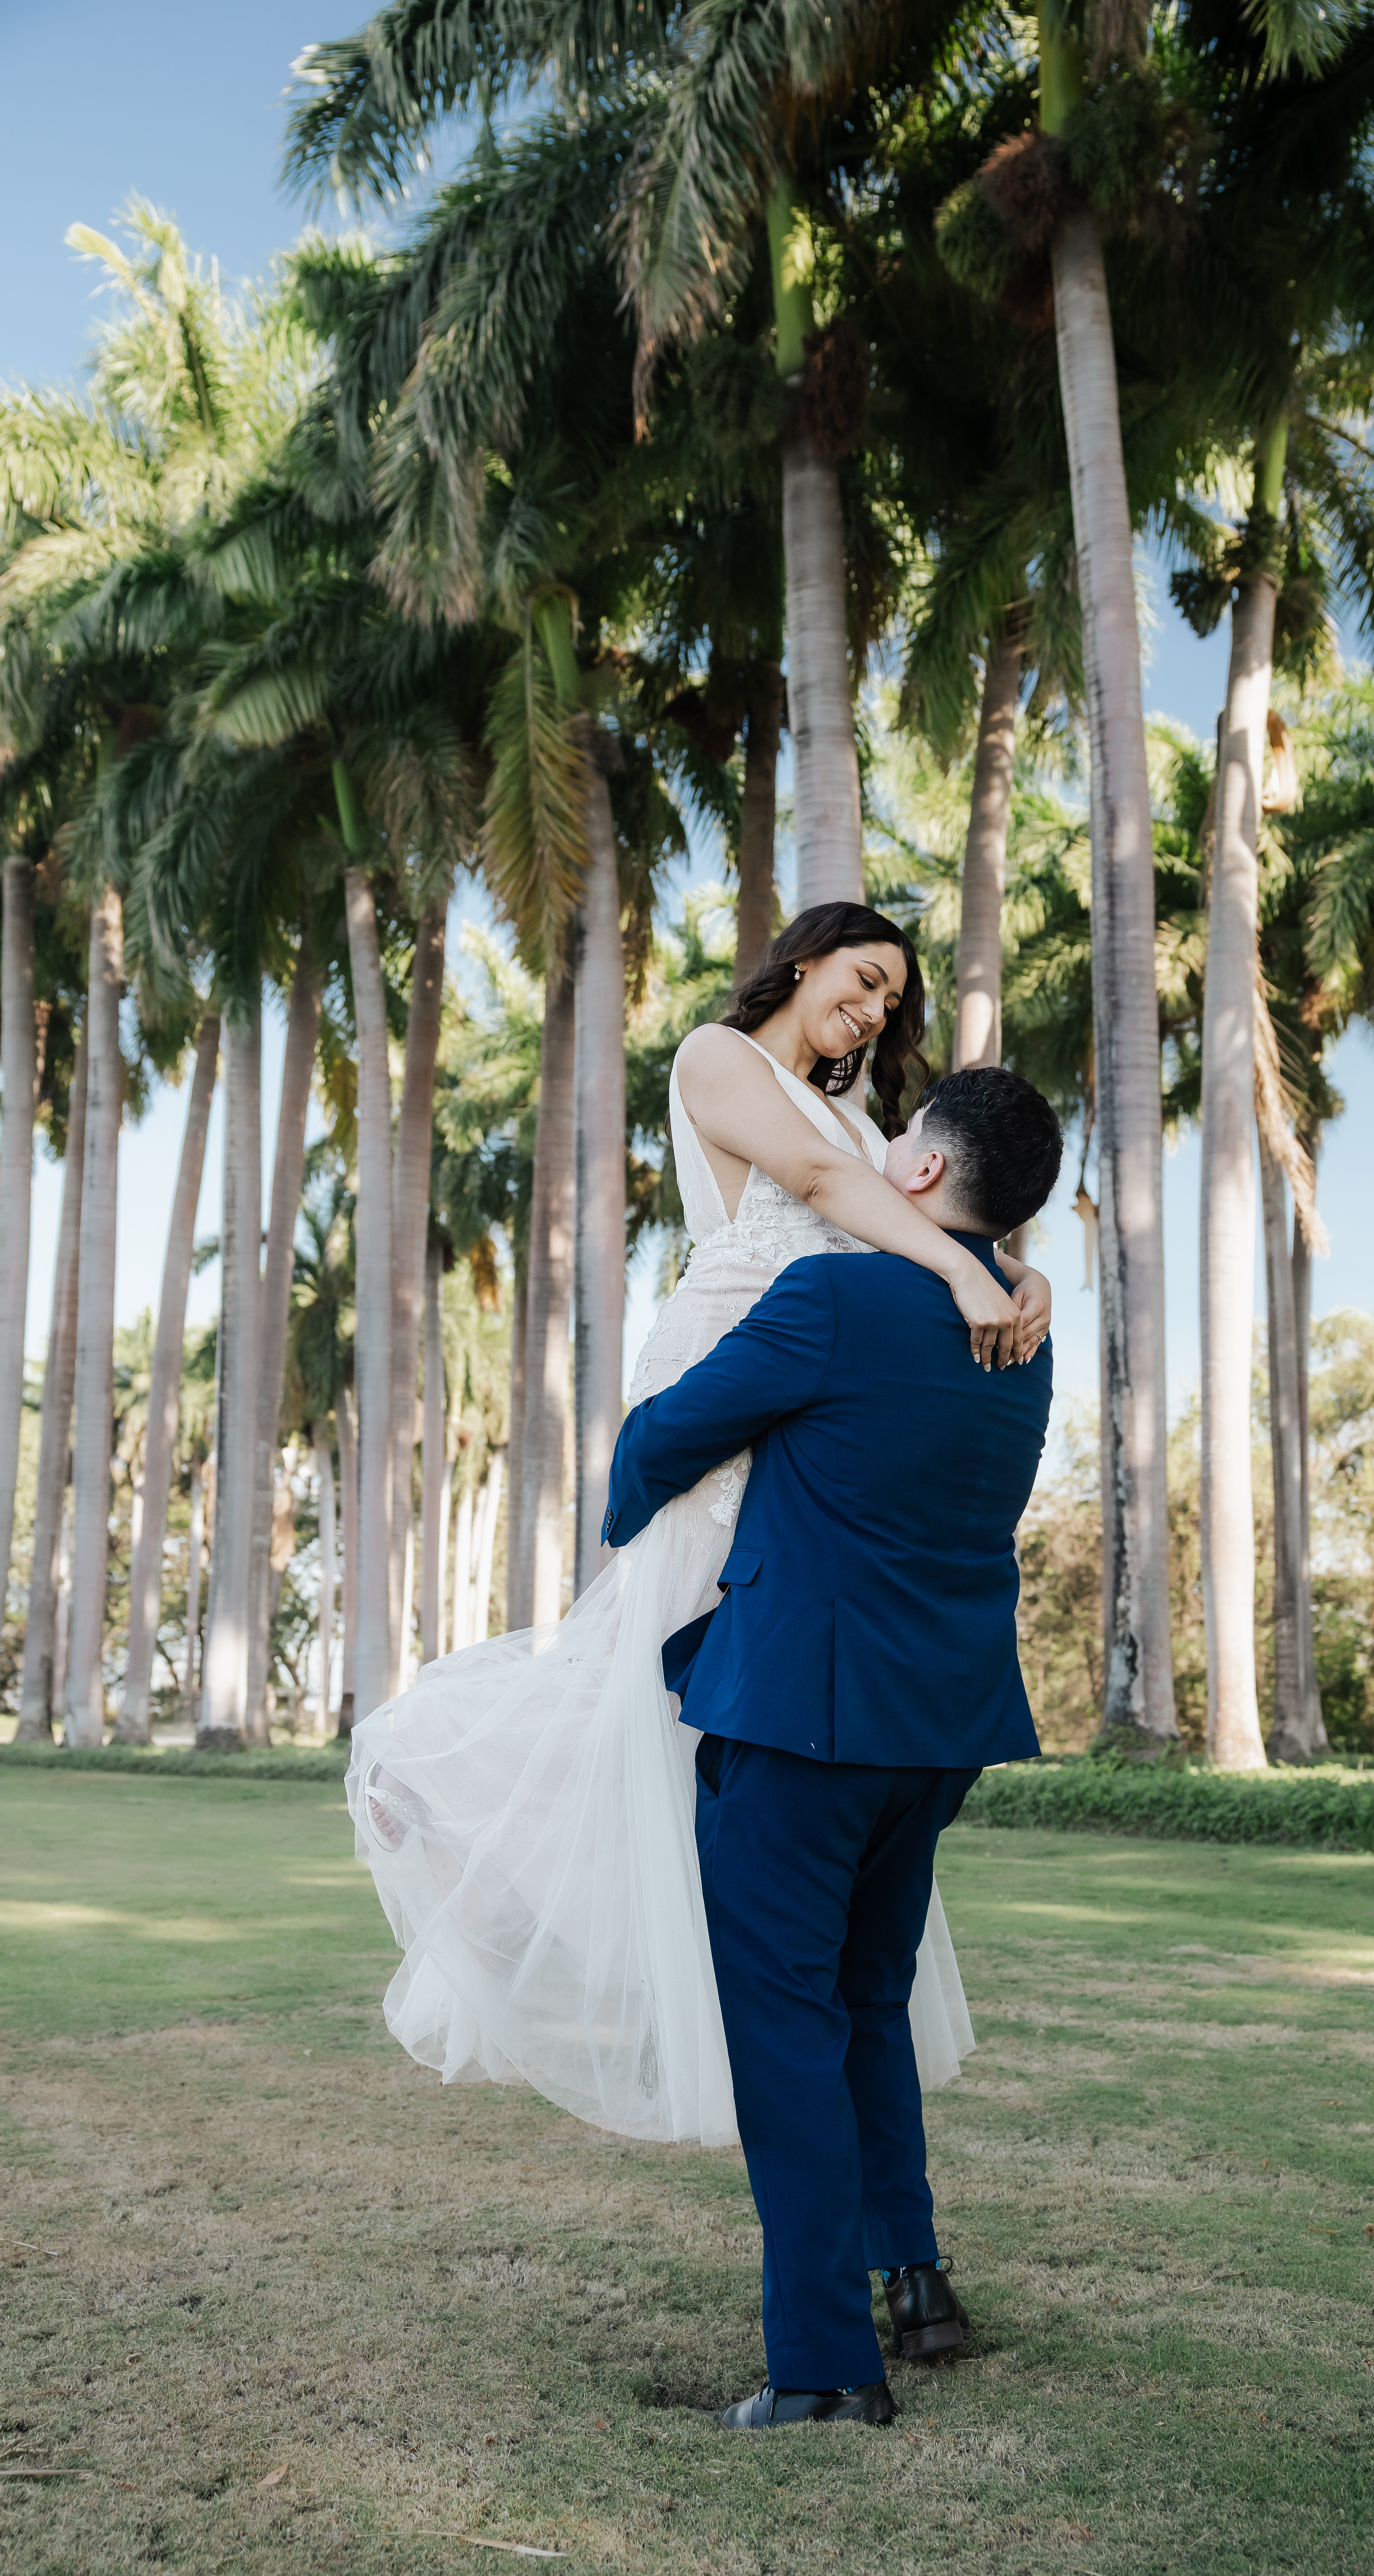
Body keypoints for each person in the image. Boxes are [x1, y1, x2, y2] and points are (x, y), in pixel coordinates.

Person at [345, 904, 1054, 2153]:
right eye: (867, 977)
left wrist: (1018, 1272)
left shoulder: (864, 1122)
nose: (881, 1009)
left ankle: (716, 1946)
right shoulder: (722, 1062)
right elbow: (839, 1194)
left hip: (802, 1419)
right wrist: (964, 1276)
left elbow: (935, 1197)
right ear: (802, 959)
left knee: (719, 1703)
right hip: (731, 1389)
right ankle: (445, 1786)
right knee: (660, 1667)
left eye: (896, 1000)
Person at [604, 1061, 1062, 2428]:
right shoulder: (1025, 1333)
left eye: (893, 1143)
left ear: (918, 1175)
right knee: (868, 1998)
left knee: (788, 2024)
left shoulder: (833, 1298)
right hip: (942, 1727)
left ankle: (820, 2364)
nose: (874, 1155)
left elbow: (660, 1442)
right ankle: (914, 2283)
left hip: (803, 1719)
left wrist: (636, 1526)